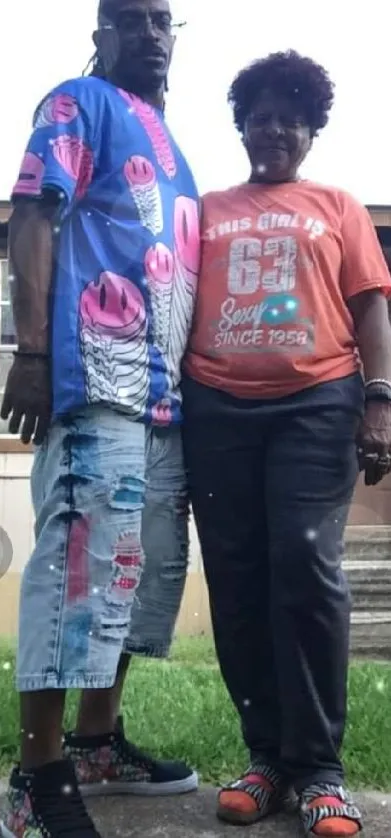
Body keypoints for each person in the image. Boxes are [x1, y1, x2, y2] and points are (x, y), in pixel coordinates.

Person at [0, 1, 200, 836]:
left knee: (137, 579)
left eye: (163, 20)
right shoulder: (76, 104)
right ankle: (36, 779)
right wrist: (35, 352)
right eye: (131, 19)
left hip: (162, 400)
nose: (151, 34)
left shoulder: (169, 140)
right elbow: (34, 215)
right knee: (79, 577)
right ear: (101, 36)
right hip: (96, 380)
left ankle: (94, 742)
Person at [182, 50, 391, 838]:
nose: (274, 127)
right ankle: (265, 756)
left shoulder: (337, 206)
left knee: (303, 562)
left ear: (310, 132)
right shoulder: (203, 208)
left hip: (316, 400)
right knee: (236, 576)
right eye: (261, 115)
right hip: (215, 408)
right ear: (241, 124)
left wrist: (379, 401)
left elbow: (370, 307)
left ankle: (319, 770)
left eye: (290, 118)